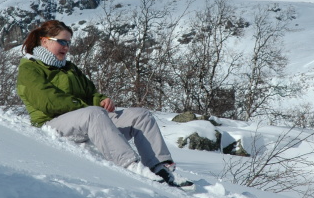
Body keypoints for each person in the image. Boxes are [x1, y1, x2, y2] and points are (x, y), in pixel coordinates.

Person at [16, 19, 190, 187]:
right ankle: (131, 167)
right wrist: (89, 107)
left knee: (140, 115)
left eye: (69, 42)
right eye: (61, 41)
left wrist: (101, 99)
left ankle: (161, 167)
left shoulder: (69, 68)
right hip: (52, 125)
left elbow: (90, 92)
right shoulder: (30, 67)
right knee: (94, 113)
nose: (66, 47)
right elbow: (49, 101)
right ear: (45, 41)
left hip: (88, 119)